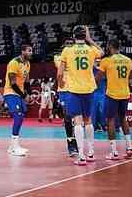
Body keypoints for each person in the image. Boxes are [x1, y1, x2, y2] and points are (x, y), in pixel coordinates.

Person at [57, 26, 104, 165]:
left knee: (77, 121)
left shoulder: (67, 50)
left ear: (73, 36)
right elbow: (102, 52)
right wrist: (90, 40)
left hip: (74, 90)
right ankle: (91, 153)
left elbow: (60, 74)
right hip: (89, 89)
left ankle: (81, 156)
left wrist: (61, 84)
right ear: (85, 36)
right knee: (88, 120)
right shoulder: (91, 50)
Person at [96, 39, 132, 160]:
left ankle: (114, 152)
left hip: (112, 95)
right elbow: (130, 78)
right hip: (125, 94)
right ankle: (129, 148)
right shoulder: (128, 60)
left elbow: (98, 78)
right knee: (123, 118)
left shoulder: (106, 61)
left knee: (110, 120)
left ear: (109, 46)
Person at [3, 44, 32, 156]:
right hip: (10, 92)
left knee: (21, 116)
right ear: (22, 51)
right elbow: (13, 83)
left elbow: (27, 81)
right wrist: (24, 95)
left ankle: (13, 146)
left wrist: (28, 93)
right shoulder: (14, 63)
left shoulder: (27, 64)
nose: (31, 53)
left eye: (31, 51)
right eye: (29, 51)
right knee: (18, 115)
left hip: (19, 94)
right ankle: (14, 147)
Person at [54, 37, 78, 157]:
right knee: (68, 118)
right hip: (64, 90)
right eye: (67, 43)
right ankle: (71, 145)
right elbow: (62, 68)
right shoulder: (58, 57)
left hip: (77, 89)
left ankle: (79, 142)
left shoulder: (77, 57)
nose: (69, 45)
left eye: (71, 44)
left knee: (78, 119)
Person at [92, 59, 107, 132]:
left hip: (102, 93)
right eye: (96, 61)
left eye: (99, 61)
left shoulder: (104, 70)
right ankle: (94, 126)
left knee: (102, 110)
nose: (97, 63)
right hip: (93, 93)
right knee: (93, 110)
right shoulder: (90, 69)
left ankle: (103, 125)